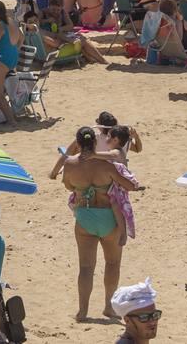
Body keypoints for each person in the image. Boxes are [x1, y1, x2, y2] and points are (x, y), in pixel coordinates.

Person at [63, 127, 137, 321]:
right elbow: (129, 185)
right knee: (112, 264)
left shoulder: (70, 163)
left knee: (86, 267)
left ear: (78, 144)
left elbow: (68, 185)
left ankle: (82, 311)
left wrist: (83, 187)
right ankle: (109, 307)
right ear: (95, 144)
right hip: (108, 218)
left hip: (85, 217)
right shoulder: (107, 165)